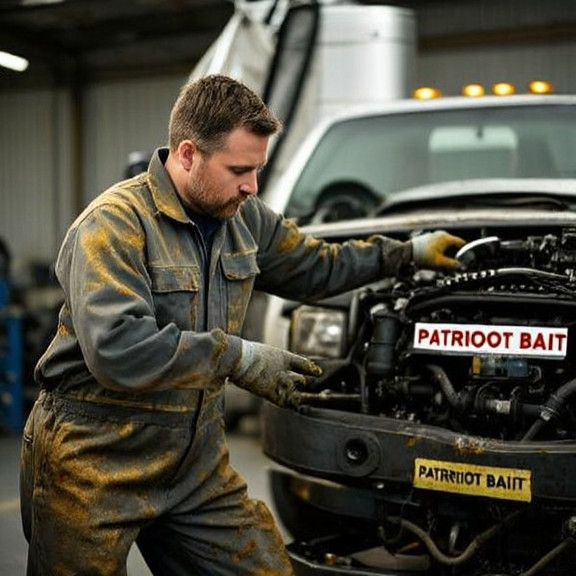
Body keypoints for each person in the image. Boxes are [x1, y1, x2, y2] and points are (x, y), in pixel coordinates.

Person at [19, 74, 465, 576]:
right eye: (239, 170)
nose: (252, 186)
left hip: (194, 465)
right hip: (93, 460)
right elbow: (119, 349)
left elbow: (316, 266)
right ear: (187, 154)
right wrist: (240, 357)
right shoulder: (113, 226)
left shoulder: (243, 217)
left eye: (257, 170)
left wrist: (406, 253)